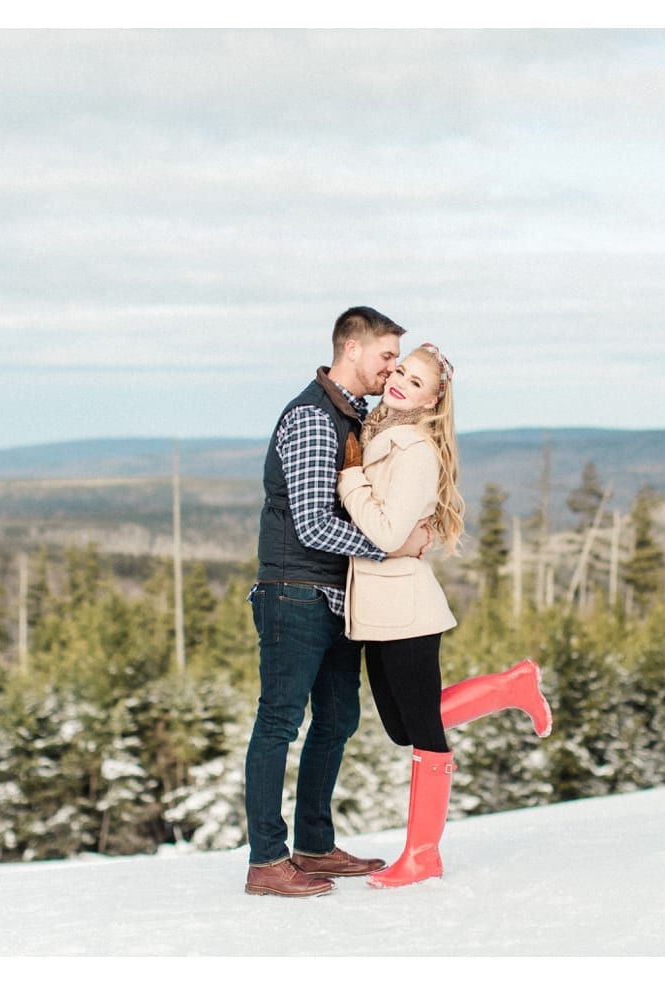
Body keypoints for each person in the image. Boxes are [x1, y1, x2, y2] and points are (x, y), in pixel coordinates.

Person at [337, 342, 552, 889]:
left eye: (416, 381)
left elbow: (385, 533)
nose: (400, 382)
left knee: (425, 733)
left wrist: (352, 478)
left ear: (434, 400)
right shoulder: (384, 432)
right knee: (401, 725)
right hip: (379, 608)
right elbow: (391, 531)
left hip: (407, 609)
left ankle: (423, 854)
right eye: (400, 371)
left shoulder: (415, 451)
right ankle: (509, 687)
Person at [243, 306, 434, 899]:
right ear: (351, 350)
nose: (390, 369)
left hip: (335, 595)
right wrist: (392, 549)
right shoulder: (310, 417)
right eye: (385, 357)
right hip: (292, 591)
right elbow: (311, 525)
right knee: (280, 720)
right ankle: (267, 861)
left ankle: (314, 845)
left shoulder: (353, 418)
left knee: (337, 719)